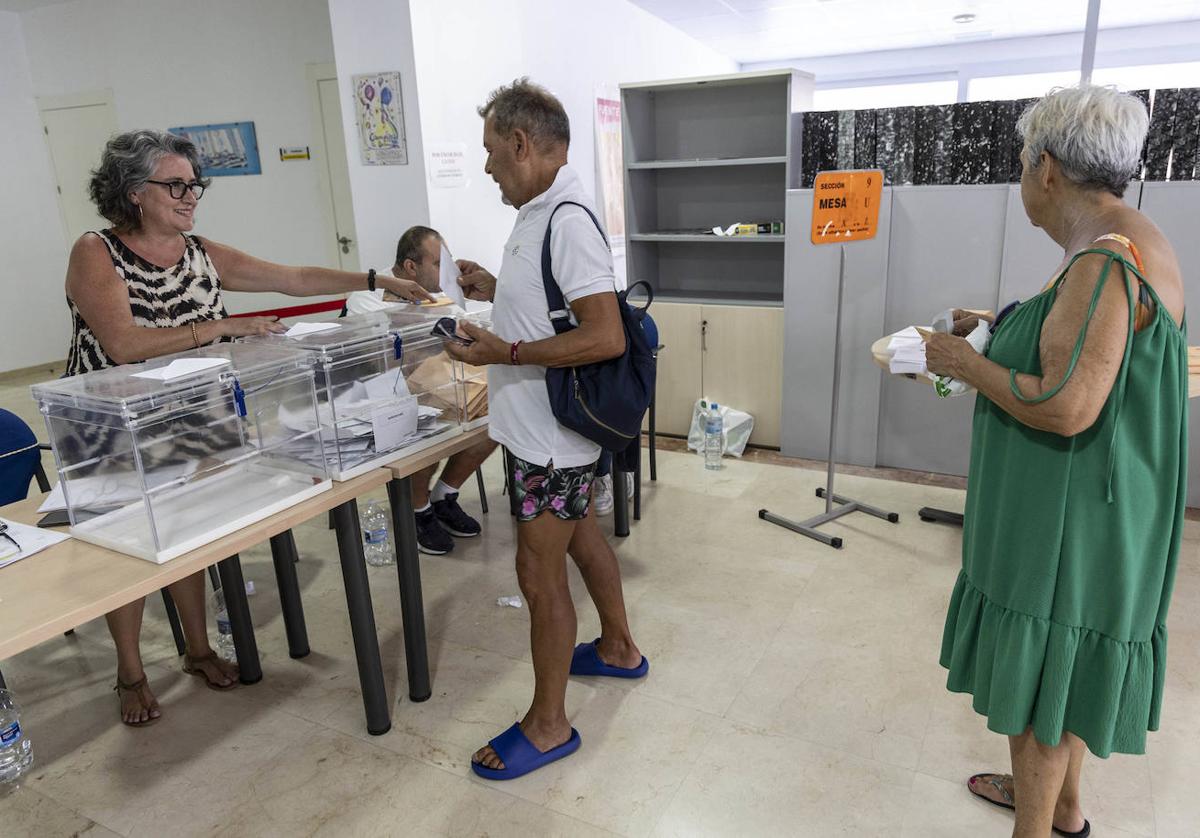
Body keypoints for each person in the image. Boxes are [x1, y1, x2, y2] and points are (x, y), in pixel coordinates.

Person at [66, 129, 434, 727]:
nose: (191, 196)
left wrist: (376, 282)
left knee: (187, 536)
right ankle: (129, 672)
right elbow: (122, 343)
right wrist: (218, 328)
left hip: (190, 416)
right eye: (177, 185)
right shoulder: (96, 251)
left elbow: (291, 278)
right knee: (130, 548)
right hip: (114, 425)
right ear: (135, 191)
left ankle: (198, 648)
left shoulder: (198, 250)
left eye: (196, 185)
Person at [925, 86, 1187, 838]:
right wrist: (1003, 323)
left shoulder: (1102, 263)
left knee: (1043, 676)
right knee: (1062, 669)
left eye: (1020, 161)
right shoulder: (1124, 238)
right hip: (1101, 506)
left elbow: (1068, 403)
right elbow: (1082, 348)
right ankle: (1063, 808)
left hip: (1067, 522)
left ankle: (1036, 827)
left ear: (1045, 168)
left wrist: (961, 362)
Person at [445, 78, 648, 780]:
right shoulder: (540, 211)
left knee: (538, 572)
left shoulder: (565, 218)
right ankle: (619, 646)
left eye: (493, 152)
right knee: (583, 538)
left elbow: (604, 335)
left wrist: (507, 352)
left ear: (523, 144)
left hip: (553, 440)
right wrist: (496, 294)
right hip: (542, 432)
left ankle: (549, 723)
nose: (488, 166)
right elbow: (553, 304)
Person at [351, 225, 499, 554]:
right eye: (438, 263)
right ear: (410, 267)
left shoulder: (443, 293)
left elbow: (461, 334)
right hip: (385, 395)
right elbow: (391, 355)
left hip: (437, 382)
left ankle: (444, 494)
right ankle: (416, 510)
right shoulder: (366, 297)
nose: (447, 271)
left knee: (498, 413)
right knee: (420, 422)